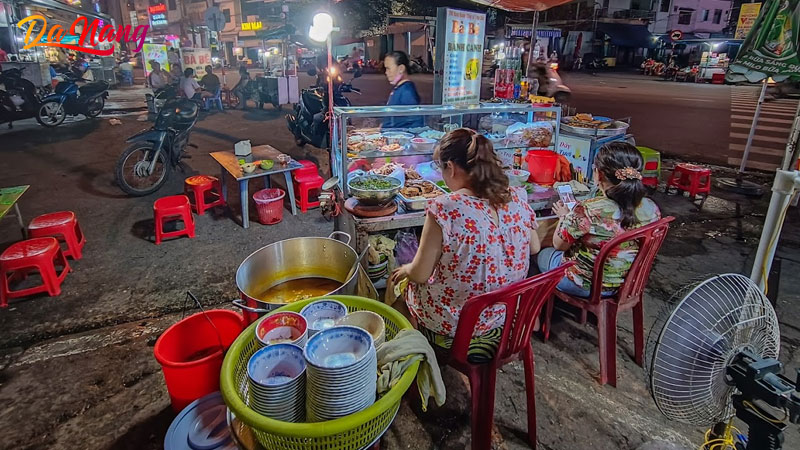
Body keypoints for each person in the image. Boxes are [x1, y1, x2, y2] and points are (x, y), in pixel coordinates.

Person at [390, 128, 541, 361]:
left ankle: (417, 365)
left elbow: (420, 274)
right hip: (506, 315)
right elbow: (534, 247)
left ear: (450, 167)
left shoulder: (445, 208)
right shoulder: (517, 197)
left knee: (397, 288)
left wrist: (405, 269)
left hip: (458, 327)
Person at [537, 142, 661, 297]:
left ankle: (537, 306)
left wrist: (565, 216)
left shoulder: (587, 209)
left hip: (584, 284)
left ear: (598, 174)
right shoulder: (651, 207)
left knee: (541, 253)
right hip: (628, 283)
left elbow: (559, 245)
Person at [382, 51, 424, 130]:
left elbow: (415, 122)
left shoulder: (407, 92)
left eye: (388, 68)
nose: (386, 72)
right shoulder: (399, 88)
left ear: (401, 68)